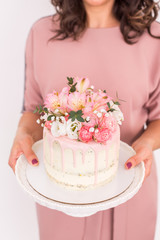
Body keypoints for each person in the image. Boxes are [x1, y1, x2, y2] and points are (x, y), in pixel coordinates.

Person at [9, 0, 160, 239]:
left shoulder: (154, 40)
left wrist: (147, 143)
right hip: (60, 200)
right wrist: (23, 134)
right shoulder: (41, 35)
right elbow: (33, 110)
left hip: (132, 195)